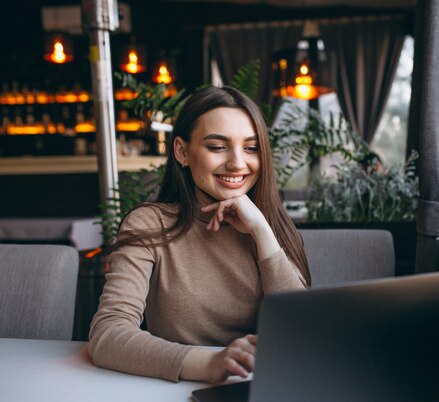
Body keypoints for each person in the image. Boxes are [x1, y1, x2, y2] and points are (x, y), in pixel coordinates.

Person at [89, 86, 310, 384]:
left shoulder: (269, 224)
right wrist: (212, 362)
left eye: (250, 147)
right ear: (182, 151)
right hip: (175, 389)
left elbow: (303, 332)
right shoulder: (149, 223)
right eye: (217, 147)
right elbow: (108, 334)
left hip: (267, 391)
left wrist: (261, 232)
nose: (237, 163)